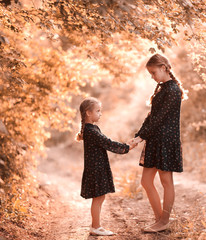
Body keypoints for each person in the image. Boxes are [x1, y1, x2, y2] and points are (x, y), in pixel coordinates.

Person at [132, 54, 187, 232]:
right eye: (150, 74)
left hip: (166, 140)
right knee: (146, 181)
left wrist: (142, 137)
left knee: (166, 180)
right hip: (156, 139)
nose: (152, 77)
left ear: (164, 68)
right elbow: (151, 117)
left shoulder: (172, 90)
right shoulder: (163, 89)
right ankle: (160, 220)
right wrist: (139, 134)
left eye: (154, 72)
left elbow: (159, 118)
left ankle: (164, 221)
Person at [75, 97, 136, 236]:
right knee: (98, 197)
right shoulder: (90, 131)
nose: (100, 113)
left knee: (100, 197)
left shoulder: (93, 128)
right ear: (88, 113)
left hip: (99, 166)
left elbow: (106, 142)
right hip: (95, 168)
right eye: (97, 111)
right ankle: (95, 227)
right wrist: (126, 147)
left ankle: (96, 225)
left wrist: (126, 147)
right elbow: (107, 143)